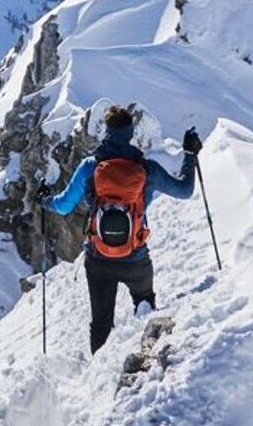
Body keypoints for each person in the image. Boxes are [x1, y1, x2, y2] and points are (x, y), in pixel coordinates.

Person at [46, 104, 201, 352]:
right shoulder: (146, 168)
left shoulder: (90, 166)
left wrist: (44, 199)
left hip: (98, 259)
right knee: (146, 309)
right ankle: (147, 363)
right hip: (135, 257)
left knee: (101, 324)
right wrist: (190, 155)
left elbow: (64, 206)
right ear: (130, 133)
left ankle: (98, 374)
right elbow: (184, 191)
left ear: (106, 131)